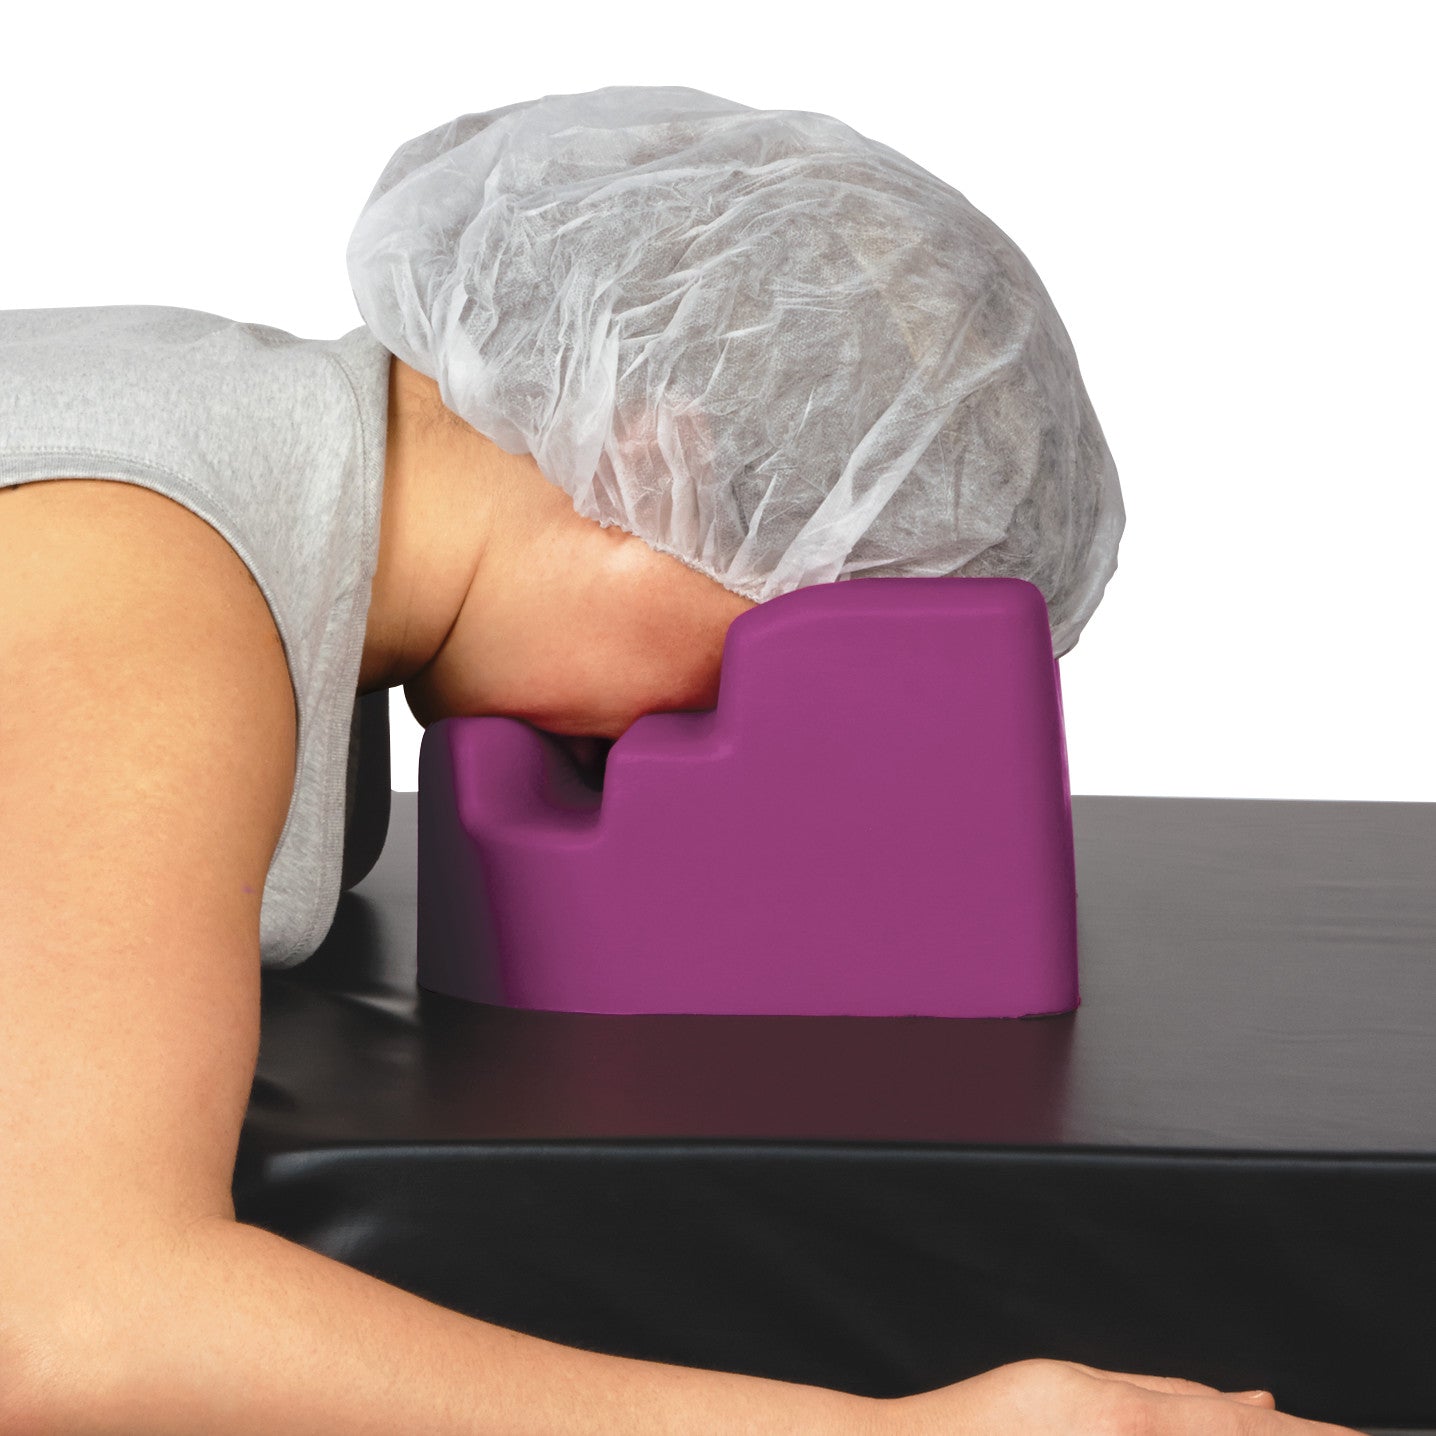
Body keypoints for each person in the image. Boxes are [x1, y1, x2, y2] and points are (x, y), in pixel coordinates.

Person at [0, 88, 1363, 1434]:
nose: (740, 725)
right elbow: (70, 1323)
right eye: (799, 636)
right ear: (650, 474)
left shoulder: (243, 474)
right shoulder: (137, 576)